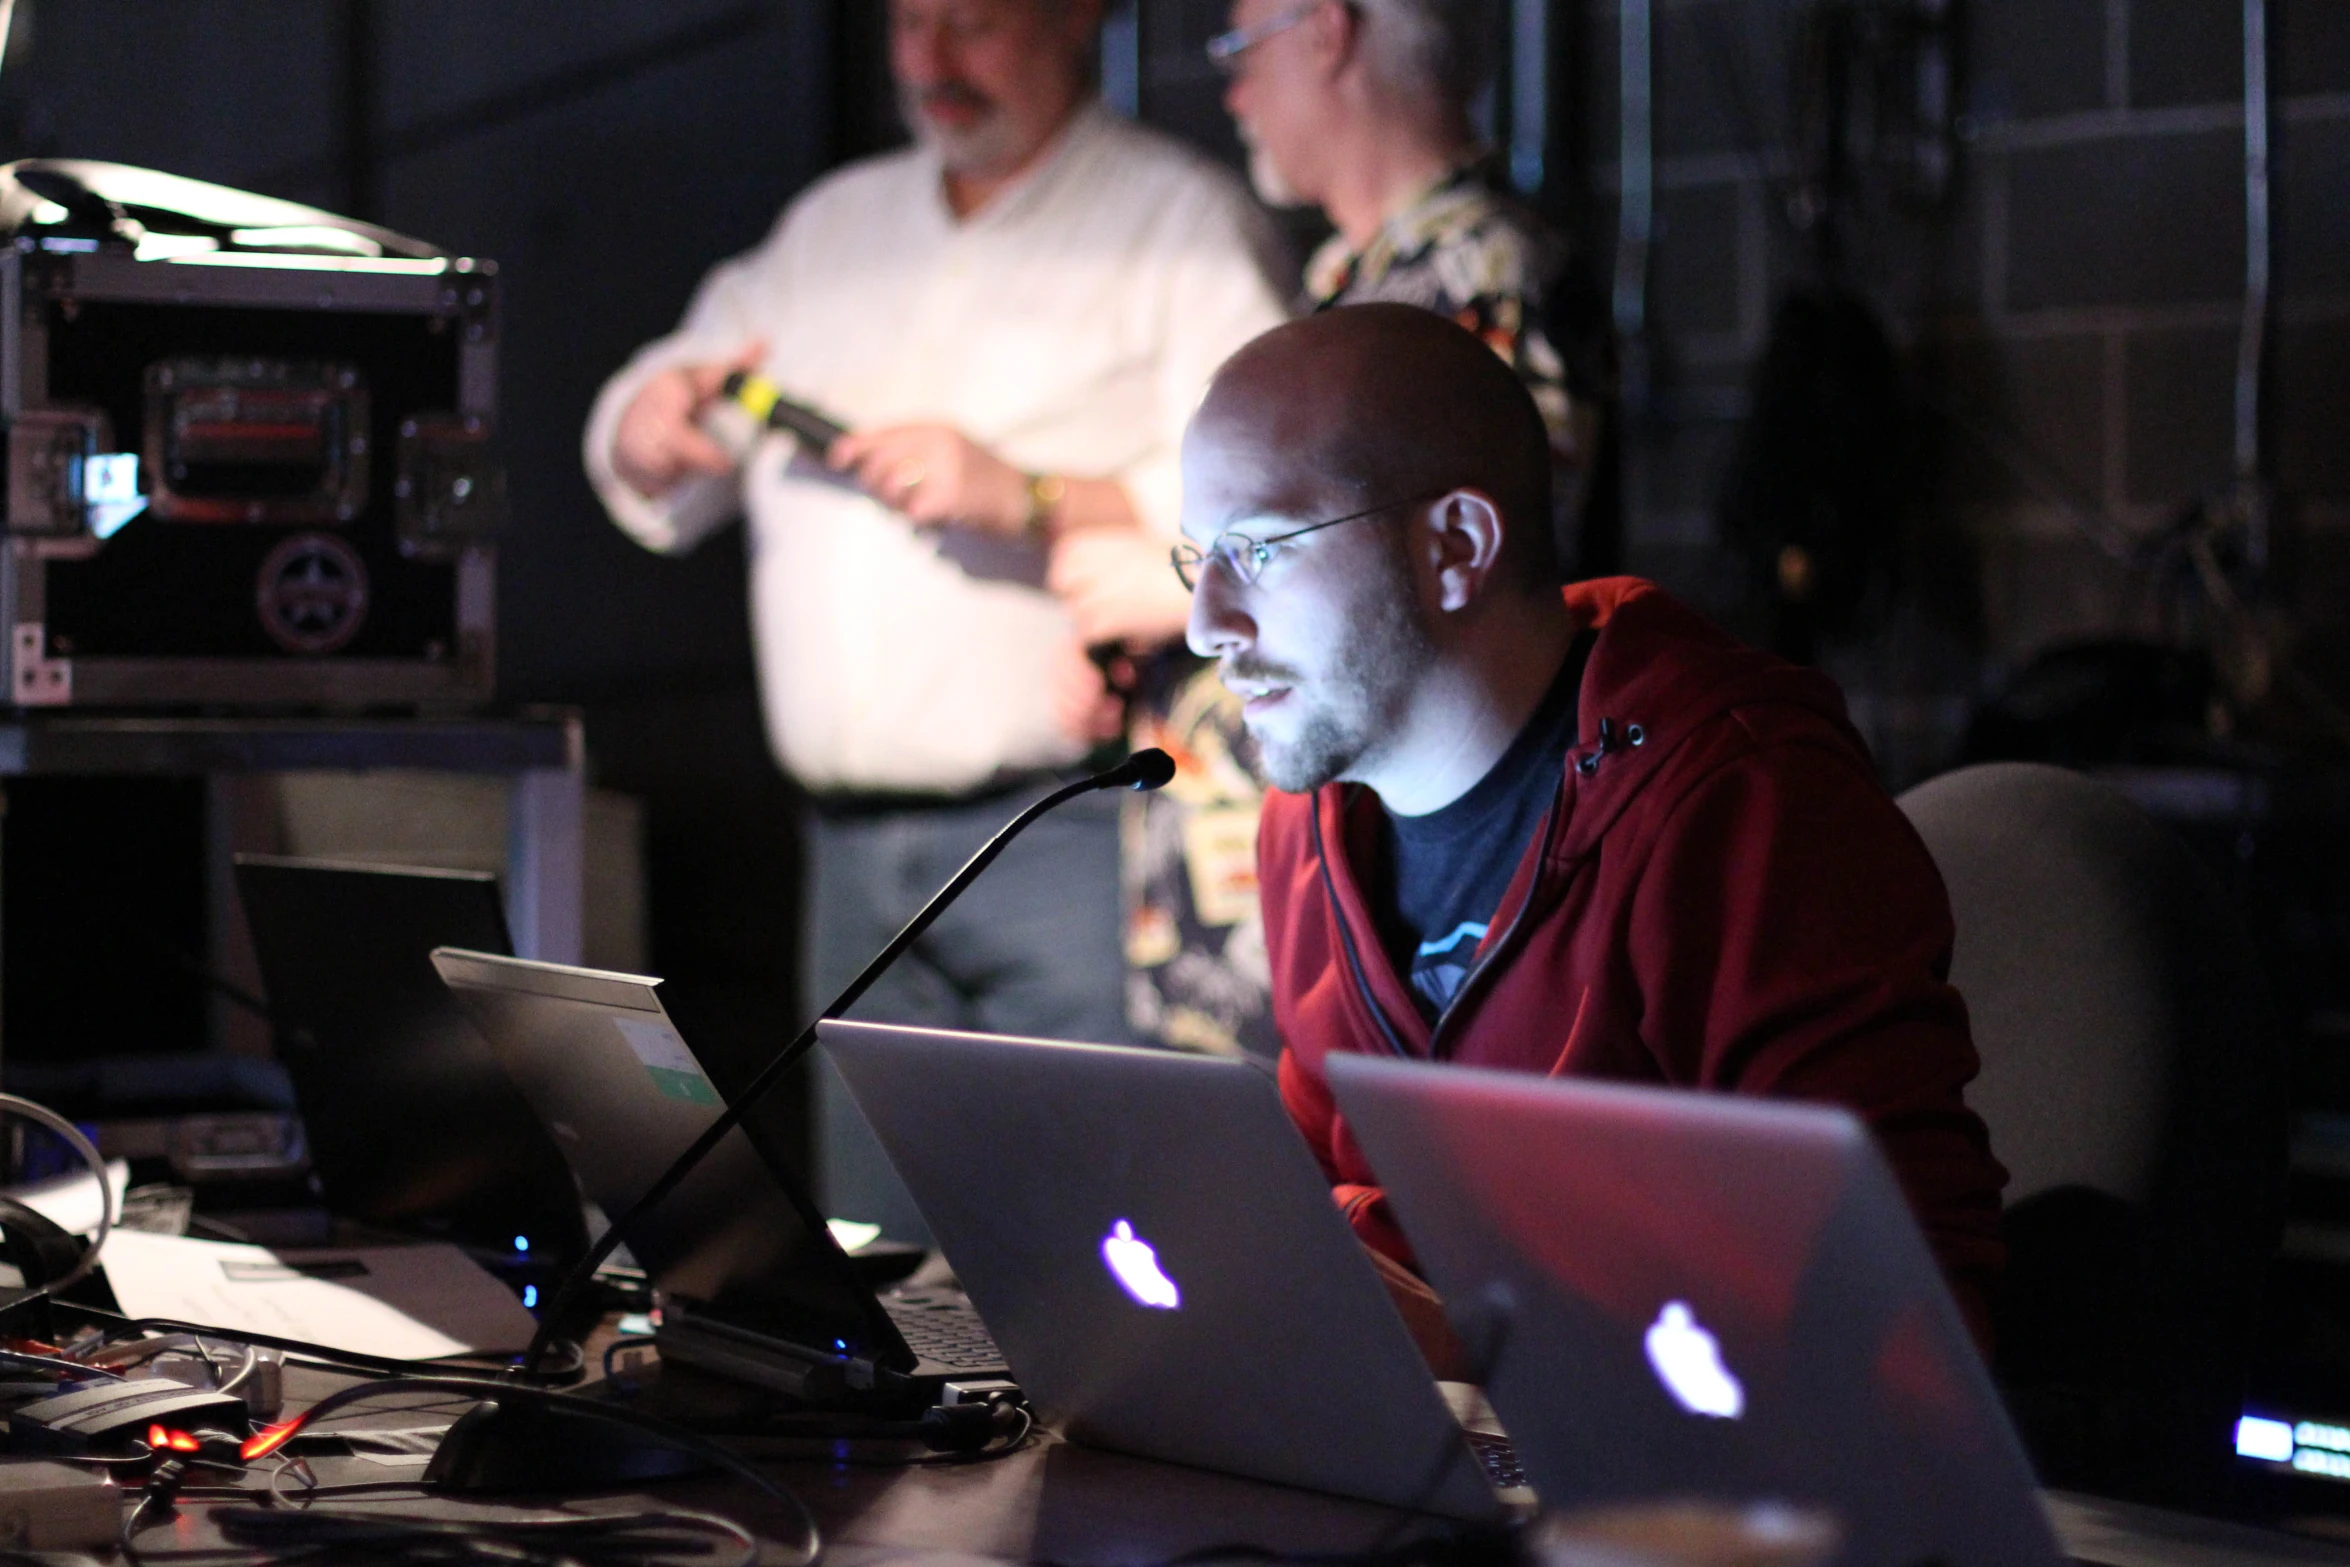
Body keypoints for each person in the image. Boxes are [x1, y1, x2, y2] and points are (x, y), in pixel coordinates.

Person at [1173, 305, 2005, 1368]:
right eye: (1196, 557)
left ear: (1457, 547)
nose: (1205, 623)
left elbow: (1904, 1311)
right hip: (1450, 1467)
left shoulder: (1738, 802)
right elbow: (1322, 1176)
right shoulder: (1312, 814)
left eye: (1256, 550)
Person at [583, 0, 1288, 1242]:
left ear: (1078, 18)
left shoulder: (1177, 225)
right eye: (911, 25)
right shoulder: (831, 230)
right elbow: (658, 423)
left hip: (1062, 835)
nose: (930, 64)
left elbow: (1277, 503)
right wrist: (646, 416)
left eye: (973, 22)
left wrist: (1020, 491)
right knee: (889, 1270)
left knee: (1095, 1248)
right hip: (848, 861)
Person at [1097, 0, 1614, 1063]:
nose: (1231, 94)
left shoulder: (1478, 270)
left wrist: (1146, 591)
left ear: (1326, 30)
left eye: (1242, 52)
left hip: (1380, 922)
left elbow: (1481, 570)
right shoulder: (1349, 276)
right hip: (1271, 907)